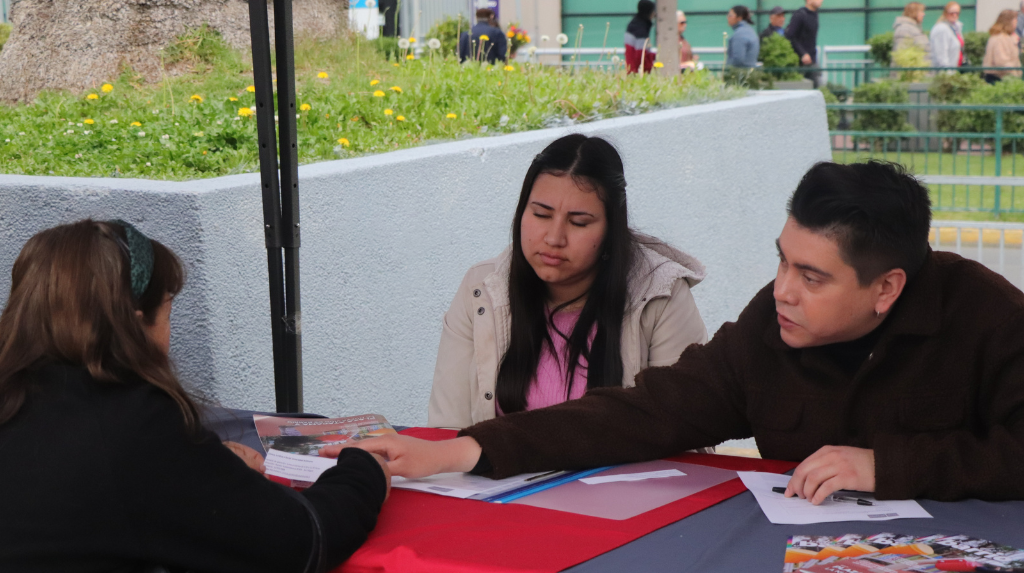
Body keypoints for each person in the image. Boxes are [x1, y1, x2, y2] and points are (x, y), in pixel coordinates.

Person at [346, 161, 1024, 505]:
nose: (782, 288)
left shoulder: (989, 318)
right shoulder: (772, 321)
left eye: (812, 277)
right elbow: (648, 411)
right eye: (781, 259)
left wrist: (888, 466)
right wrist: (464, 451)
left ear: (887, 288)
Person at [0, 220, 391, 573]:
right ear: (134, 323)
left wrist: (204, 472)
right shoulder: (128, 421)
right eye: (165, 313)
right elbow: (302, 538)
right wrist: (363, 465)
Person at [427, 134, 708, 429]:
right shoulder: (482, 291)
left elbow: (687, 439)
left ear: (612, 229)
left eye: (579, 223)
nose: (554, 238)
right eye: (541, 214)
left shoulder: (659, 295)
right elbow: (447, 430)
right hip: (497, 475)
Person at [786, 0, 823, 82]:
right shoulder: (799, 15)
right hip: (800, 63)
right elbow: (790, 36)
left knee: (817, 87)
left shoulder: (815, 14)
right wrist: (802, 53)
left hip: (812, 60)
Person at [983, 9, 1022, 83]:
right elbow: (1002, 62)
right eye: (1015, 20)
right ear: (1008, 22)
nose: (1016, 22)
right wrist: (1015, 74)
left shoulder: (1007, 37)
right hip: (998, 79)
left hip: (1006, 78)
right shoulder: (999, 38)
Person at [930, 2, 964, 71]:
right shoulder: (941, 29)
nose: (954, 15)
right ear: (945, 13)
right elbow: (941, 54)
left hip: (955, 68)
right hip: (946, 73)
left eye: (957, 13)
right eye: (951, 13)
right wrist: (947, 73)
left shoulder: (956, 27)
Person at [625, 0, 657, 74]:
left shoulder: (633, 25)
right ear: (649, 12)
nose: (654, 14)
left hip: (632, 71)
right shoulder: (641, 29)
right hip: (639, 73)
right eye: (653, 11)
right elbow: (640, 56)